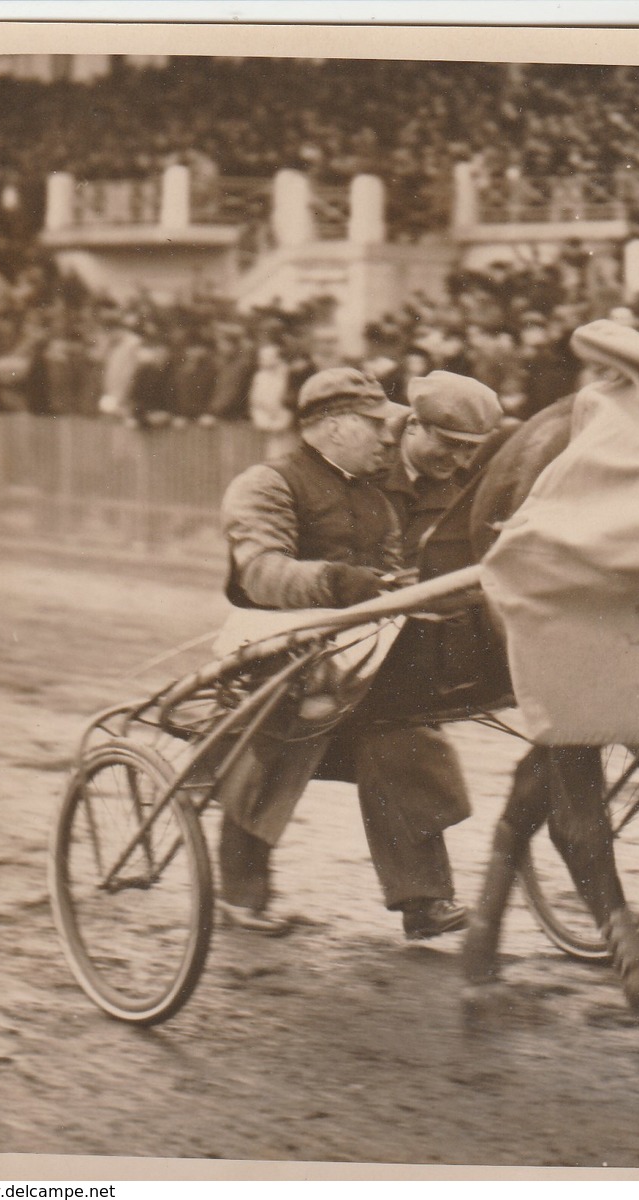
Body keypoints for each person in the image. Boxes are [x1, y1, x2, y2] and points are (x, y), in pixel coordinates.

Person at [214, 366, 473, 940]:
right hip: (278, 650)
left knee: (402, 733)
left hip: (357, 652)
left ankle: (423, 899)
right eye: (375, 425)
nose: (389, 436)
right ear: (332, 427)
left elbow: (389, 568)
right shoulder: (266, 484)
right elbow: (260, 573)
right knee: (279, 738)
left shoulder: (378, 495)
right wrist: (339, 581)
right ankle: (241, 893)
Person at [378, 370, 504, 562]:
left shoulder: (469, 482)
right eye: (450, 443)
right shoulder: (364, 459)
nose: (459, 460)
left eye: (471, 447)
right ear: (413, 425)